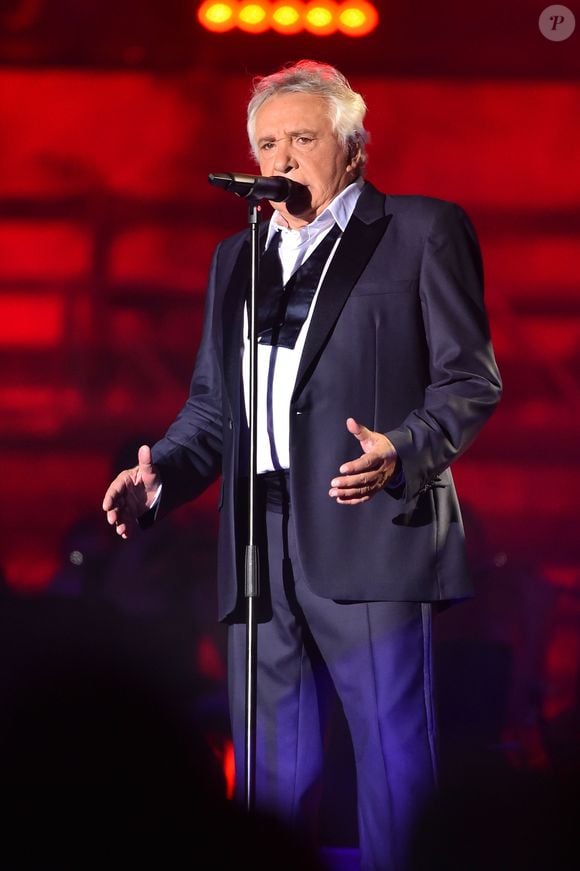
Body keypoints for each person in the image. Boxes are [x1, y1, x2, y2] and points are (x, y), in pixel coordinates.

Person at [102, 60, 502, 871]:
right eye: (266, 144)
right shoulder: (237, 258)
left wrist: (403, 448)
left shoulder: (420, 231)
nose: (280, 159)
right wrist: (164, 475)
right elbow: (214, 411)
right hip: (257, 537)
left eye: (302, 140)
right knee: (271, 774)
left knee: (392, 762)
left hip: (369, 522)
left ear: (352, 147)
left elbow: (471, 380)